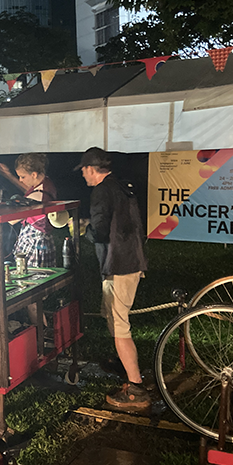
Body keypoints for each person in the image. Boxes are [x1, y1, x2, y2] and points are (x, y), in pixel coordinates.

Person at [77, 147, 149, 411]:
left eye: (83, 170)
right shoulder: (120, 185)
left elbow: (100, 231)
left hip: (119, 264)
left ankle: (136, 388)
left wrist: (85, 230)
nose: (82, 174)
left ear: (91, 169)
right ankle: (125, 366)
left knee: (120, 326)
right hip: (130, 259)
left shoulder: (101, 191)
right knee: (113, 318)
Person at [0, 153, 58, 268]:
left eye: (22, 177)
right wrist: (8, 175)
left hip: (34, 242)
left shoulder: (37, 197)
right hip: (44, 240)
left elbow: (12, 220)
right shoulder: (46, 184)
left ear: (34, 174)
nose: (20, 180)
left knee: (31, 274)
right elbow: (29, 190)